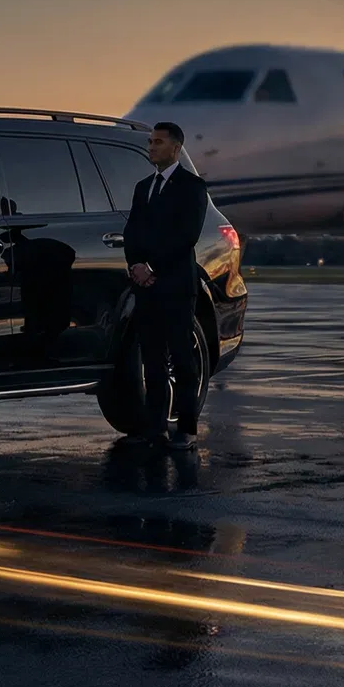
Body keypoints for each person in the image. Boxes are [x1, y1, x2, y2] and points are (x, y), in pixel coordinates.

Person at [123, 121, 210, 449]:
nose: (151, 147)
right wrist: (135, 266)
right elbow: (132, 230)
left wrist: (152, 266)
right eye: (150, 142)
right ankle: (155, 427)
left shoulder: (192, 187)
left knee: (182, 360)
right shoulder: (143, 187)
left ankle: (186, 428)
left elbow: (186, 235)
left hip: (174, 285)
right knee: (152, 360)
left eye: (157, 142)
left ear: (175, 148)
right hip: (146, 287)